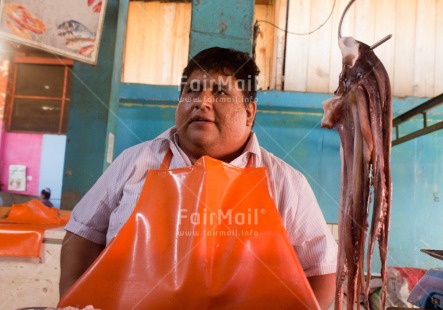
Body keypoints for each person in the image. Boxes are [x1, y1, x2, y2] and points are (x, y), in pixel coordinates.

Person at [60, 47, 337, 309]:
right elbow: (83, 232)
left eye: (219, 92)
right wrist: (73, 299)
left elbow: (322, 269)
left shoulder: (286, 183)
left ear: (249, 113)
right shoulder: (134, 163)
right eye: (192, 92)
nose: (202, 102)